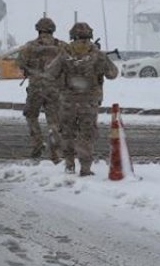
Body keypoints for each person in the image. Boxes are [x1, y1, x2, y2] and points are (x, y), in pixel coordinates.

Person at [45, 21, 119, 176]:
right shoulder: (97, 55)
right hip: (89, 102)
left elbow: (50, 73)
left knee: (67, 133)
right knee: (87, 134)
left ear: (72, 36)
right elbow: (113, 74)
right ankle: (85, 168)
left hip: (68, 101)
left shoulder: (64, 54)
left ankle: (69, 164)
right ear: (90, 36)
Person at [17, 16, 67, 162]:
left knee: (31, 116)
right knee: (54, 119)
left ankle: (37, 143)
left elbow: (20, 63)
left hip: (36, 88)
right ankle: (54, 144)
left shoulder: (30, 46)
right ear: (53, 30)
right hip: (55, 89)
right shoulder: (62, 46)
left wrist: (31, 69)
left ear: (38, 30)